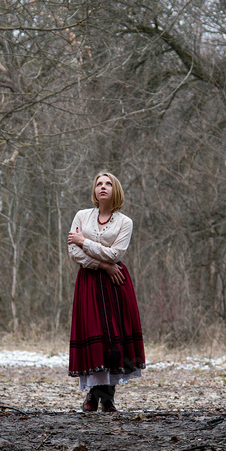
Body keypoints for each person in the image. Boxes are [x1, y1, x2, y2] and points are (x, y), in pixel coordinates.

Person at [66, 171, 146, 413]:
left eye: (108, 183)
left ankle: (104, 396)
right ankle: (97, 395)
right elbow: (73, 252)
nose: (103, 187)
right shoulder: (81, 216)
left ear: (116, 190)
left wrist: (85, 242)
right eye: (99, 183)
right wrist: (103, 265)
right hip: (90, 282)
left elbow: (115, 255)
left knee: (114, 338)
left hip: (116, 284)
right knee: (96, 336)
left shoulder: (125, 222)